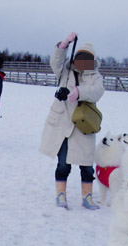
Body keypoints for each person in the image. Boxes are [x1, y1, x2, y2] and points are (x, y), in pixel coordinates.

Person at [39, 32, 105, 210]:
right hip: (62, 124)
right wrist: (64, 45)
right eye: (80, 57)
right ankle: (61, 194)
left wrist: (78, 92)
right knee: (63, 164)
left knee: (86, 165)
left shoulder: (95, 76)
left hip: (83, 126)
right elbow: (55, 62)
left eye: (87, 58)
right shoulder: (65, 71)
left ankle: (87, 197)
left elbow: (98, 91)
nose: (82, 61)